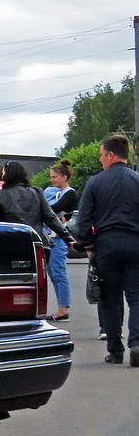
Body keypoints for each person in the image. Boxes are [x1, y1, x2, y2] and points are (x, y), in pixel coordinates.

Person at [71, 135, 139, 366]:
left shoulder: (95, 182)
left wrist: (87, 245)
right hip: (135, 244)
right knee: (136, 297)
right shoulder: (137, 180)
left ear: (110, 154)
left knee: (110, 299)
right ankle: (137, 344)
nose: (100, 159)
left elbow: (84, 219)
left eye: (101, 154)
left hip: (106, 245)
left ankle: (115, 351)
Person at [0, 161, 80, 318]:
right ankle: (38, 312)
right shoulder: (37, 193)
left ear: (8, 175)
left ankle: (15, 312)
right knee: (39, 281)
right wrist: (69, 239)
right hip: (39, 246)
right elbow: (51, 219)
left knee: (15, 282)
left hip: (13, 247)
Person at [43, 159, 79, 321]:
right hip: (49, 235)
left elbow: (55, 209)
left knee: (58, 272)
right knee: (52, 273)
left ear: (64, 177)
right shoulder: (51, 192)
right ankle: (61, 307)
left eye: (55, 177)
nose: (52, 180)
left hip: (58, 237)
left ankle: (63, 309)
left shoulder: (69, 193)